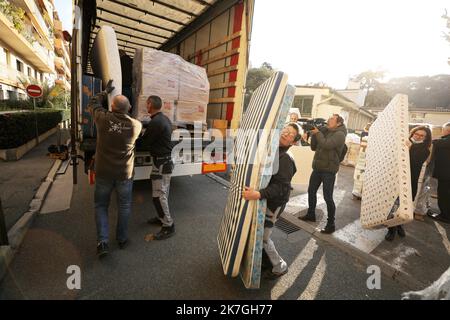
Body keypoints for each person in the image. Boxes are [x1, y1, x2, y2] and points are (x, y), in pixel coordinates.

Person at [242, 123, 299, 279]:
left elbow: (281, 187)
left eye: (291, 135)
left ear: (293, 142)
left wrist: (258, 194)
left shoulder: (285, 158)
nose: (286, 134)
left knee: (263, 237)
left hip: (275, 203)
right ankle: (263, 262)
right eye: (286, 130)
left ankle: (279, 266)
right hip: (267, 199)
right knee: (258, 232)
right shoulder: (274, 150)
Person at [91, 91, 142, 258]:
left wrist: (103, 93)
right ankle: (121, 239)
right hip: (124, 174)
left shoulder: (103, 119)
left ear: (112, 107)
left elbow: (94, 104)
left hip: (104, 172)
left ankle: (102, 242)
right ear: (129, 108)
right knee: (124, 206)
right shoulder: (136, 125)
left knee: (101, 206)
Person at [299, 114, 347, 234]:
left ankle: (331, 224)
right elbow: (314, 147)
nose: (328, 120)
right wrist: (314, 133)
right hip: (318, 167)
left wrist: (318, 133)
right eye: (329, 118)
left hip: (329, 170)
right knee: (311, 191)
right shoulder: (325, 130)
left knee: (328, 197)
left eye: (331, 119)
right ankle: (311, 214)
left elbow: (327, 144)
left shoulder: (340, 134)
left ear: (338, 123)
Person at [385, 125, 432, 241]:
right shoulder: (402, 143)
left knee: (403, 207)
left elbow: (414, 163)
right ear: (412, 133)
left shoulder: (425, 150)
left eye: (422, 135)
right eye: (416, 134)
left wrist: (410, 148)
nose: (418, 136)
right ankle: (391, 229)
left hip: (410, 182)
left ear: (426, 138)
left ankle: (399, 224)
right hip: (396, 180)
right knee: (393, 206)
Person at [141, 95, 176, 239]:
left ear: (150, 104)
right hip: (161, 162)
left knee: (160, 195)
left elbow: (145, 142)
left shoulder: (156, 122)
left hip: (162, 163)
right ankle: (161, 218)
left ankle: (168, 225)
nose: (146, 105)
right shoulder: (163, 119)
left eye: (146, 103)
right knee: (158, 194)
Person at [428, 122, 450, 224]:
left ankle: (445, 216)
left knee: (444, 194)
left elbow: (435, 142)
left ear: (447, 130)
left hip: (446, 175)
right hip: (446, 175)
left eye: (443, 129)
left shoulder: (446, 140)